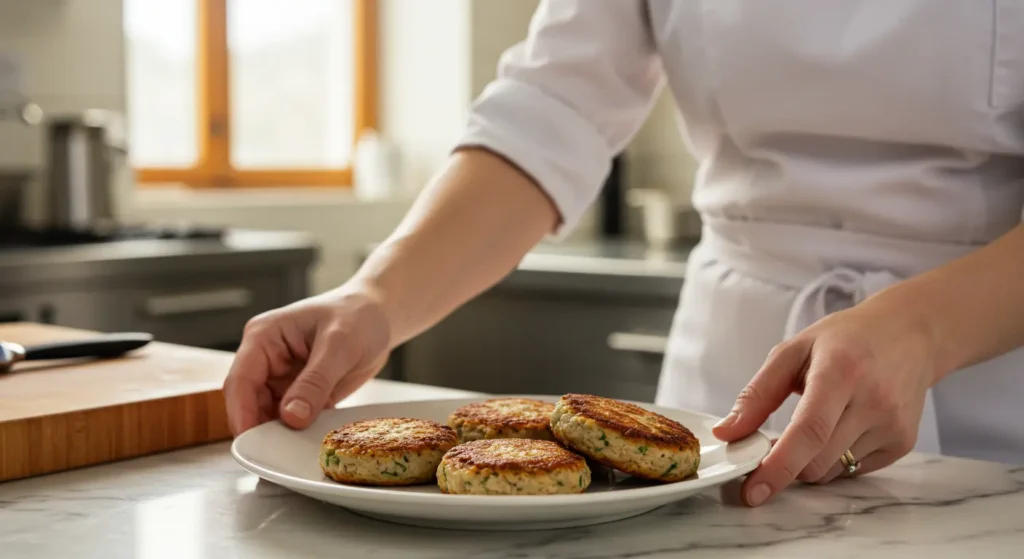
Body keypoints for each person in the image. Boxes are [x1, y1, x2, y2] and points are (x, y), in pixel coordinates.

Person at [223, 1, 1024, 507]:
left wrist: (925, 329)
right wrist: (377, 297)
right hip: (725, 397)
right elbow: (551, 110)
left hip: (988, 381)